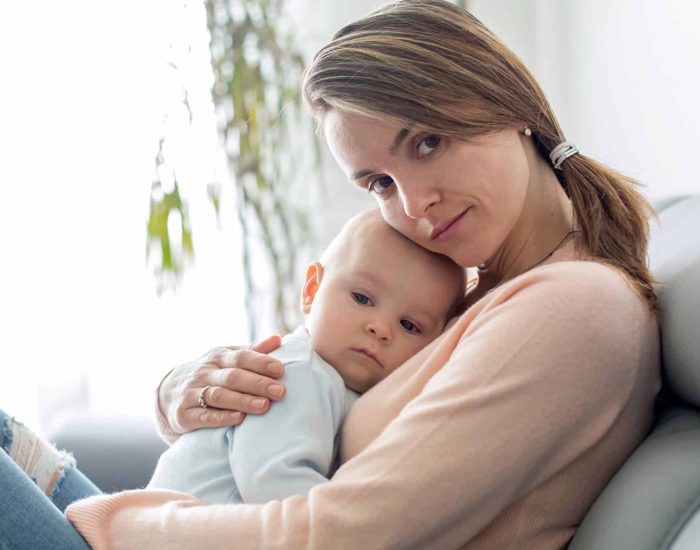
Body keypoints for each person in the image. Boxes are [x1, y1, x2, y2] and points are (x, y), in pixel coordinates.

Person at [0, 0, 661, 548]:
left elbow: (338, 535)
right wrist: (187, 399)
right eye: (379, 183)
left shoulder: (572, 309)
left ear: (508, 102)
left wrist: (108, 528)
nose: (414, 205)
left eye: (427, 142)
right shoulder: (478, 292)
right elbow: (302, 382)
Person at [146, 208, 465, 505]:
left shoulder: (335, 383)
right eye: (362, 298)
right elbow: (272, 481)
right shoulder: (300, 374)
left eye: (410, 325)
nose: (381, 328)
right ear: (312, 290)